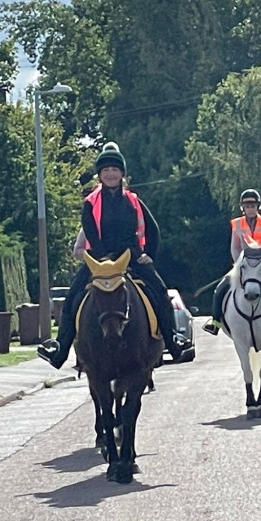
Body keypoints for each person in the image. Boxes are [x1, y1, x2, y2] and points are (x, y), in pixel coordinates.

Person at [36, 142, 192, 369]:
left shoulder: (133, 200)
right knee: (73, 298)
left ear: (122, 174)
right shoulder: (90, 203)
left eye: (115, 169)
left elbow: (153, 229)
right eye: (106, 170)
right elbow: (90, 232)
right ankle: (60, 349)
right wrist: (103, 260)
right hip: (100, 259)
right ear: (100, 175)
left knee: (159, 291)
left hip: (132, 257)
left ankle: (173, 341)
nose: (110, 173)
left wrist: (149, 254)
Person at [202, 188, 261, 336]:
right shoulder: (237, 224)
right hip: (243, 265)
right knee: (220, 289)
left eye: (253, 206)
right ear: (243, 207)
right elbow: (235, 248)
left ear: (258, 207)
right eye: (247, 206)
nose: (250, 209)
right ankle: (215, 322)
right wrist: (239, 266)